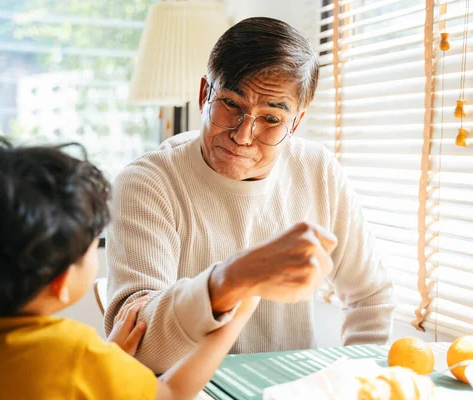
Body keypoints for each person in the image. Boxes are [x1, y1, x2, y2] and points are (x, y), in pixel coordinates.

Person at [105, 17, 396, 374]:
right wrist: (231, 279)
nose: (243, 135)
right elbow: (137, 351)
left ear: (296, 123)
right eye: (231, 104)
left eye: (271, 119)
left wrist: (357, 381)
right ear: (203, 95)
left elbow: (370, 297)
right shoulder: (147, 183)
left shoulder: (318, 171)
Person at [0, 134, 259, 400]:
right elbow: (171, 393)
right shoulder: (74, 355)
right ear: (60, 281)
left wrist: (109, 360)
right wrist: (238, 314)